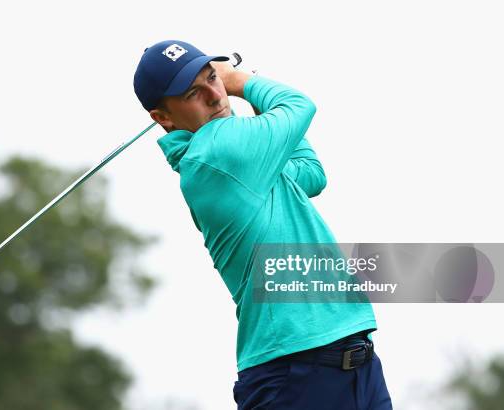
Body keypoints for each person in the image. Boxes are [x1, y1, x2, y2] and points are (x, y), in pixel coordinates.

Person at [133, 40, 393, 410]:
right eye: (194, 92)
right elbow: (300, 105)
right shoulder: (215, 151)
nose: (213, 94)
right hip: (295, 374)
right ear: (164, 118)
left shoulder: (244, 158)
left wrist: (253, 100)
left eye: (212, 78)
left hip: (352, 362)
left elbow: (310, 176)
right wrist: (240, 80)